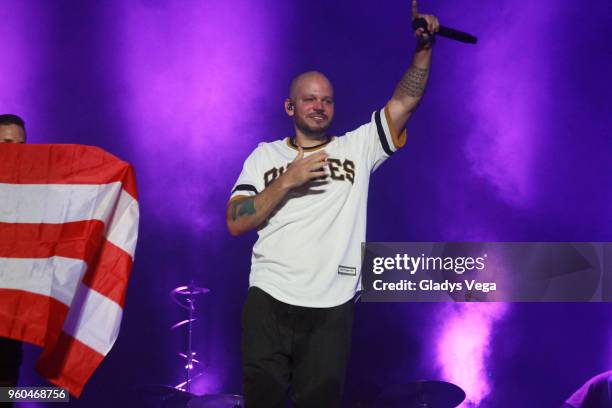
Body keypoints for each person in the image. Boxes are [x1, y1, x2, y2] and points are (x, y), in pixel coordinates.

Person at [226, 2, 439, 406]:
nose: (319, 106)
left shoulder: (356, 148)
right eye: (309, 99)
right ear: (290, 107)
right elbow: (235, 222)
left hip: (331, 304)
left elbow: (404, 103)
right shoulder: (264, 156)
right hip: (269, 297)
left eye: (326, 100)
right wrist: (287, 181)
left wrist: (424, 49)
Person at [0, 114, 26, 408]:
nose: (14, 151)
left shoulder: (33, 195)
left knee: (5, 395)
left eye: (21, 144)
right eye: (6, 143)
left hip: (9, 327)